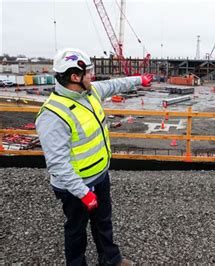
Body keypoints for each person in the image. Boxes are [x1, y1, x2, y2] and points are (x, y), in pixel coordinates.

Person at [35, 48, 152, 265]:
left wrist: (139, 79)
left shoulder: (89, 92)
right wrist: (83, 193)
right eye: (89, 72)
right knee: (76, 230)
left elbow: (114, 85)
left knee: (103, 222)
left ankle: (111, 259)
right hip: (75, 187)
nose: (93, 76)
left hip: (99, 175)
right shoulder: (52, 115)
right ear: (74, 77)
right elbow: (57, 164)